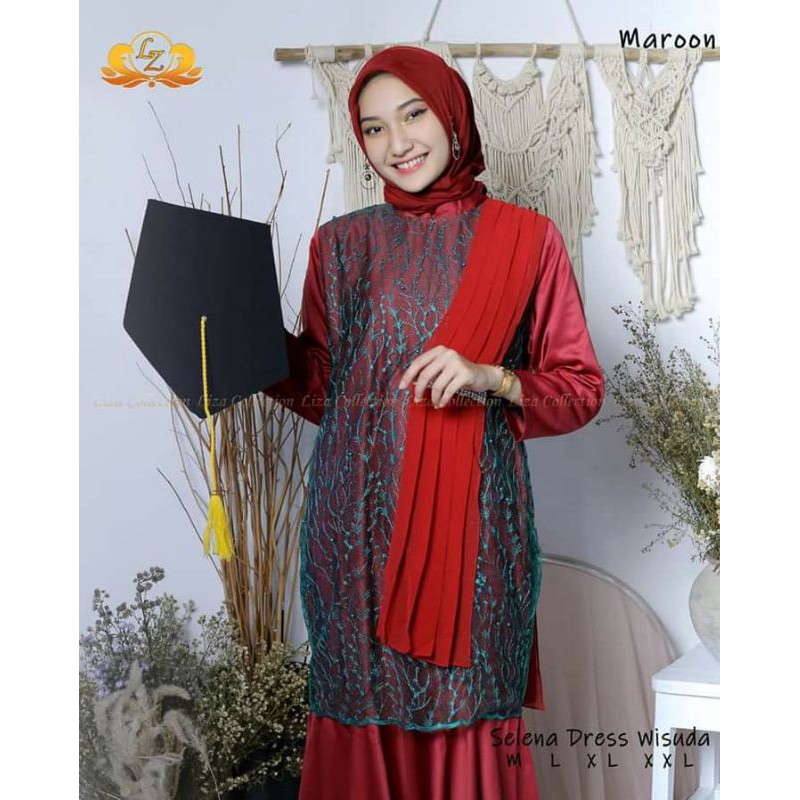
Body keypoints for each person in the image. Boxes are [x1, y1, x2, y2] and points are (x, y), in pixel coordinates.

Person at [263, 45, 604, 800]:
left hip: (470, 538)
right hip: (356, 534)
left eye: (413, 114)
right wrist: (248, 345)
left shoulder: (527, 239)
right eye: (374, 128)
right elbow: (326, 391)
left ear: (452, 114)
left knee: (467, 711)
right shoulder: (341, 244)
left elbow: (579, 390)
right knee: (361, 713)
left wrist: (492, 376)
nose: (398, 142)